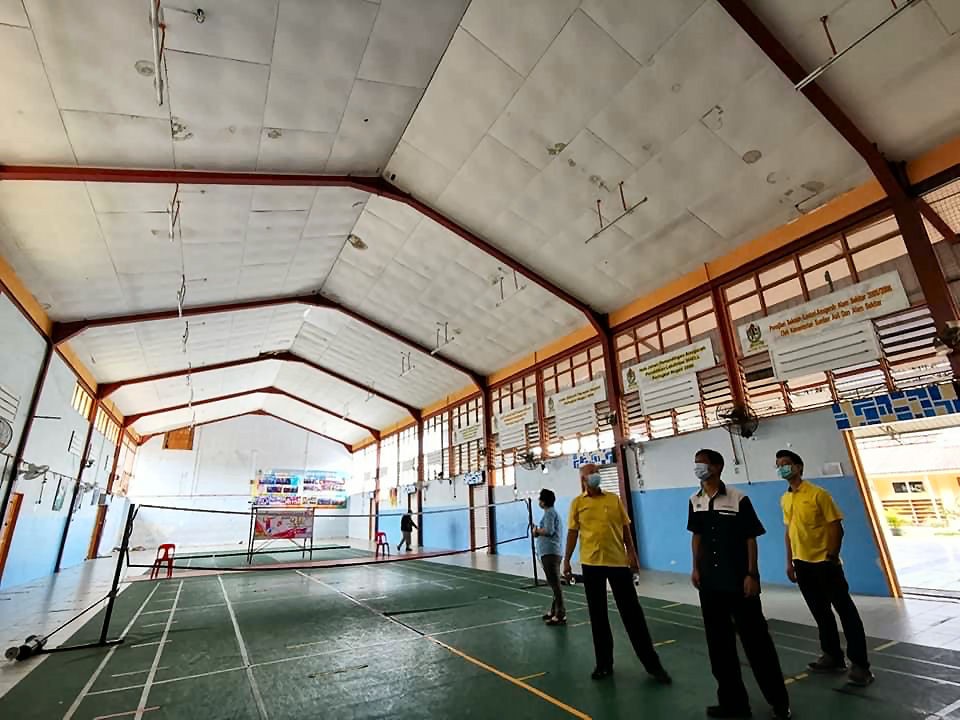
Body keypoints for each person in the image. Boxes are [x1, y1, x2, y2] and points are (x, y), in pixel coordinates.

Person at [688, 449, 791, 720]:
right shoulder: (695, 501)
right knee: (719, 648)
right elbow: (697, 536)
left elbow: (750, 538)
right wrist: (696, 567)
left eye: (702, 463)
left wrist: (752, 574)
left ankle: (779, 703)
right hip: (710, 585)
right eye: (696, 463)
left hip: (738, 583)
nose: (698, 467)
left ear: (717, 467)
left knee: (758, 645)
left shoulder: (738, 499)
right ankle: (733, 704)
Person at [562, 463, 671, 684]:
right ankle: (604, 664)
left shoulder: (614, 500)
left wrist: (632, 555)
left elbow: (625, 529)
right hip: (591, 564)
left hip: (618, 563)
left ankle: (653, 666)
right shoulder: (577, 504)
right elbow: (573, 533)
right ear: (583, 479)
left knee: (633, 614)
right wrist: (566, 560)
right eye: (590, 474)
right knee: (598, 616)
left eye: (596, 472)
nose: (594, 476)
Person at [778, 449, 874, 687]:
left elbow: (835, 527)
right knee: (820, 613)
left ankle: (860, 666)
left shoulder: (818, 494)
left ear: (799, 467)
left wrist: (831, 556)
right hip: (802, 565)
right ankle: (832, 657)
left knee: (846, 613)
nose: (782, 468)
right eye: (779, 465)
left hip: (825, 563)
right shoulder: (785, 498)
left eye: (786, 463)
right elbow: (789, 532)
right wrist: (790, 561)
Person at [531, 488, 565, 625]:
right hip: (549, 552)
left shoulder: (550, 513)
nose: (539, 501)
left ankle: (560, 614)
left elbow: (549, 531)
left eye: (540, 499)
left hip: (550, 553)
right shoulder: (549, 513)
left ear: (544, 502)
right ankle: (554, 611)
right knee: (553, 583)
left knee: (555, 585)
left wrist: (536, 531)